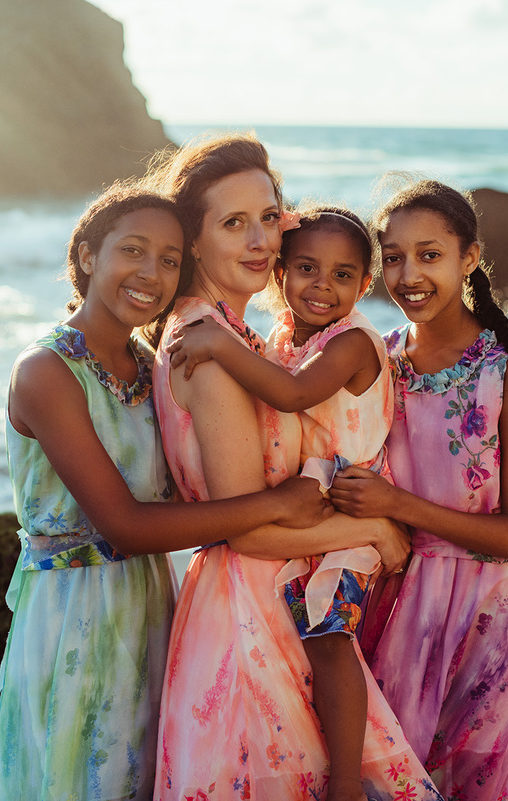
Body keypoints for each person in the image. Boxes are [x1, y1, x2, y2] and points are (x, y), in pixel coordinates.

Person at [0, 183, 330, 801]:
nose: (151, 273)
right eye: (133, 250)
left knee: (145, 776)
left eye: (170, 260)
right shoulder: (46, 371)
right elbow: (126, 525)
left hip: (151, 606)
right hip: (71, 617)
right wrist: (278, 504)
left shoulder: (153, 368)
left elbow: (187, 500)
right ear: (88, 256)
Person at [147, 134, 441, 801]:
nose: (260, 241)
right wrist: (374, 530)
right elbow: (248, 528)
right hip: (246, 607)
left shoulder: (236, 337)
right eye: (233, 223)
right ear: (193, 240)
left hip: (271, 593)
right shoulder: (209, 347)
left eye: (267, 216)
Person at [166, 204, 393, 801]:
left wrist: (219, 344)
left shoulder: (352, 343)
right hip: (317, 497)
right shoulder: (286, 337)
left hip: (353, 496)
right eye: (307, 268)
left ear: (364, 285)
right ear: (282, 272)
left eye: (343, 275)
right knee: (311, 640)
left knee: (330, 639)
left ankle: (346, 782)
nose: (323, 285)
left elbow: (291, 395)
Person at [329, 180, 508, 800]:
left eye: (429, 255)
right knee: (387, 775)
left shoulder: (507, 368)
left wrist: (396, 506)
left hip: (487, 609)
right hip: (396, 597)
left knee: (473, 779)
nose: (409, 275)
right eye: (393, 257)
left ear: (468, 257)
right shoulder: (377, 361)